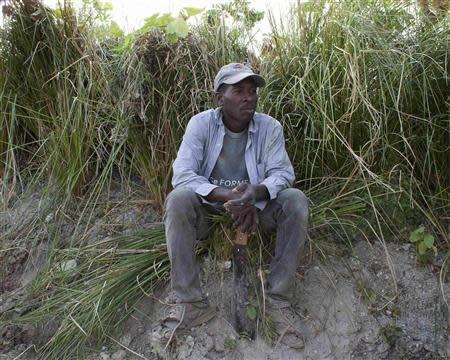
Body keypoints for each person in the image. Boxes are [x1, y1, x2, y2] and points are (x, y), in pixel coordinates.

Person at [153, 63, 309, 348]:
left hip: (255, 212)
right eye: (238, 91)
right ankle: (191, 303)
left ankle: (277, 300)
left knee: (296, 201)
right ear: (219, 97)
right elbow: (183, 175)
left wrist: (257, 193)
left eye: (252, 91)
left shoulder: (270, 127)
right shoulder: (200, 124)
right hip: (210, 213)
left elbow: (283, 174)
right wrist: (228, 196)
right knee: (178, 200)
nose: (248, 97)